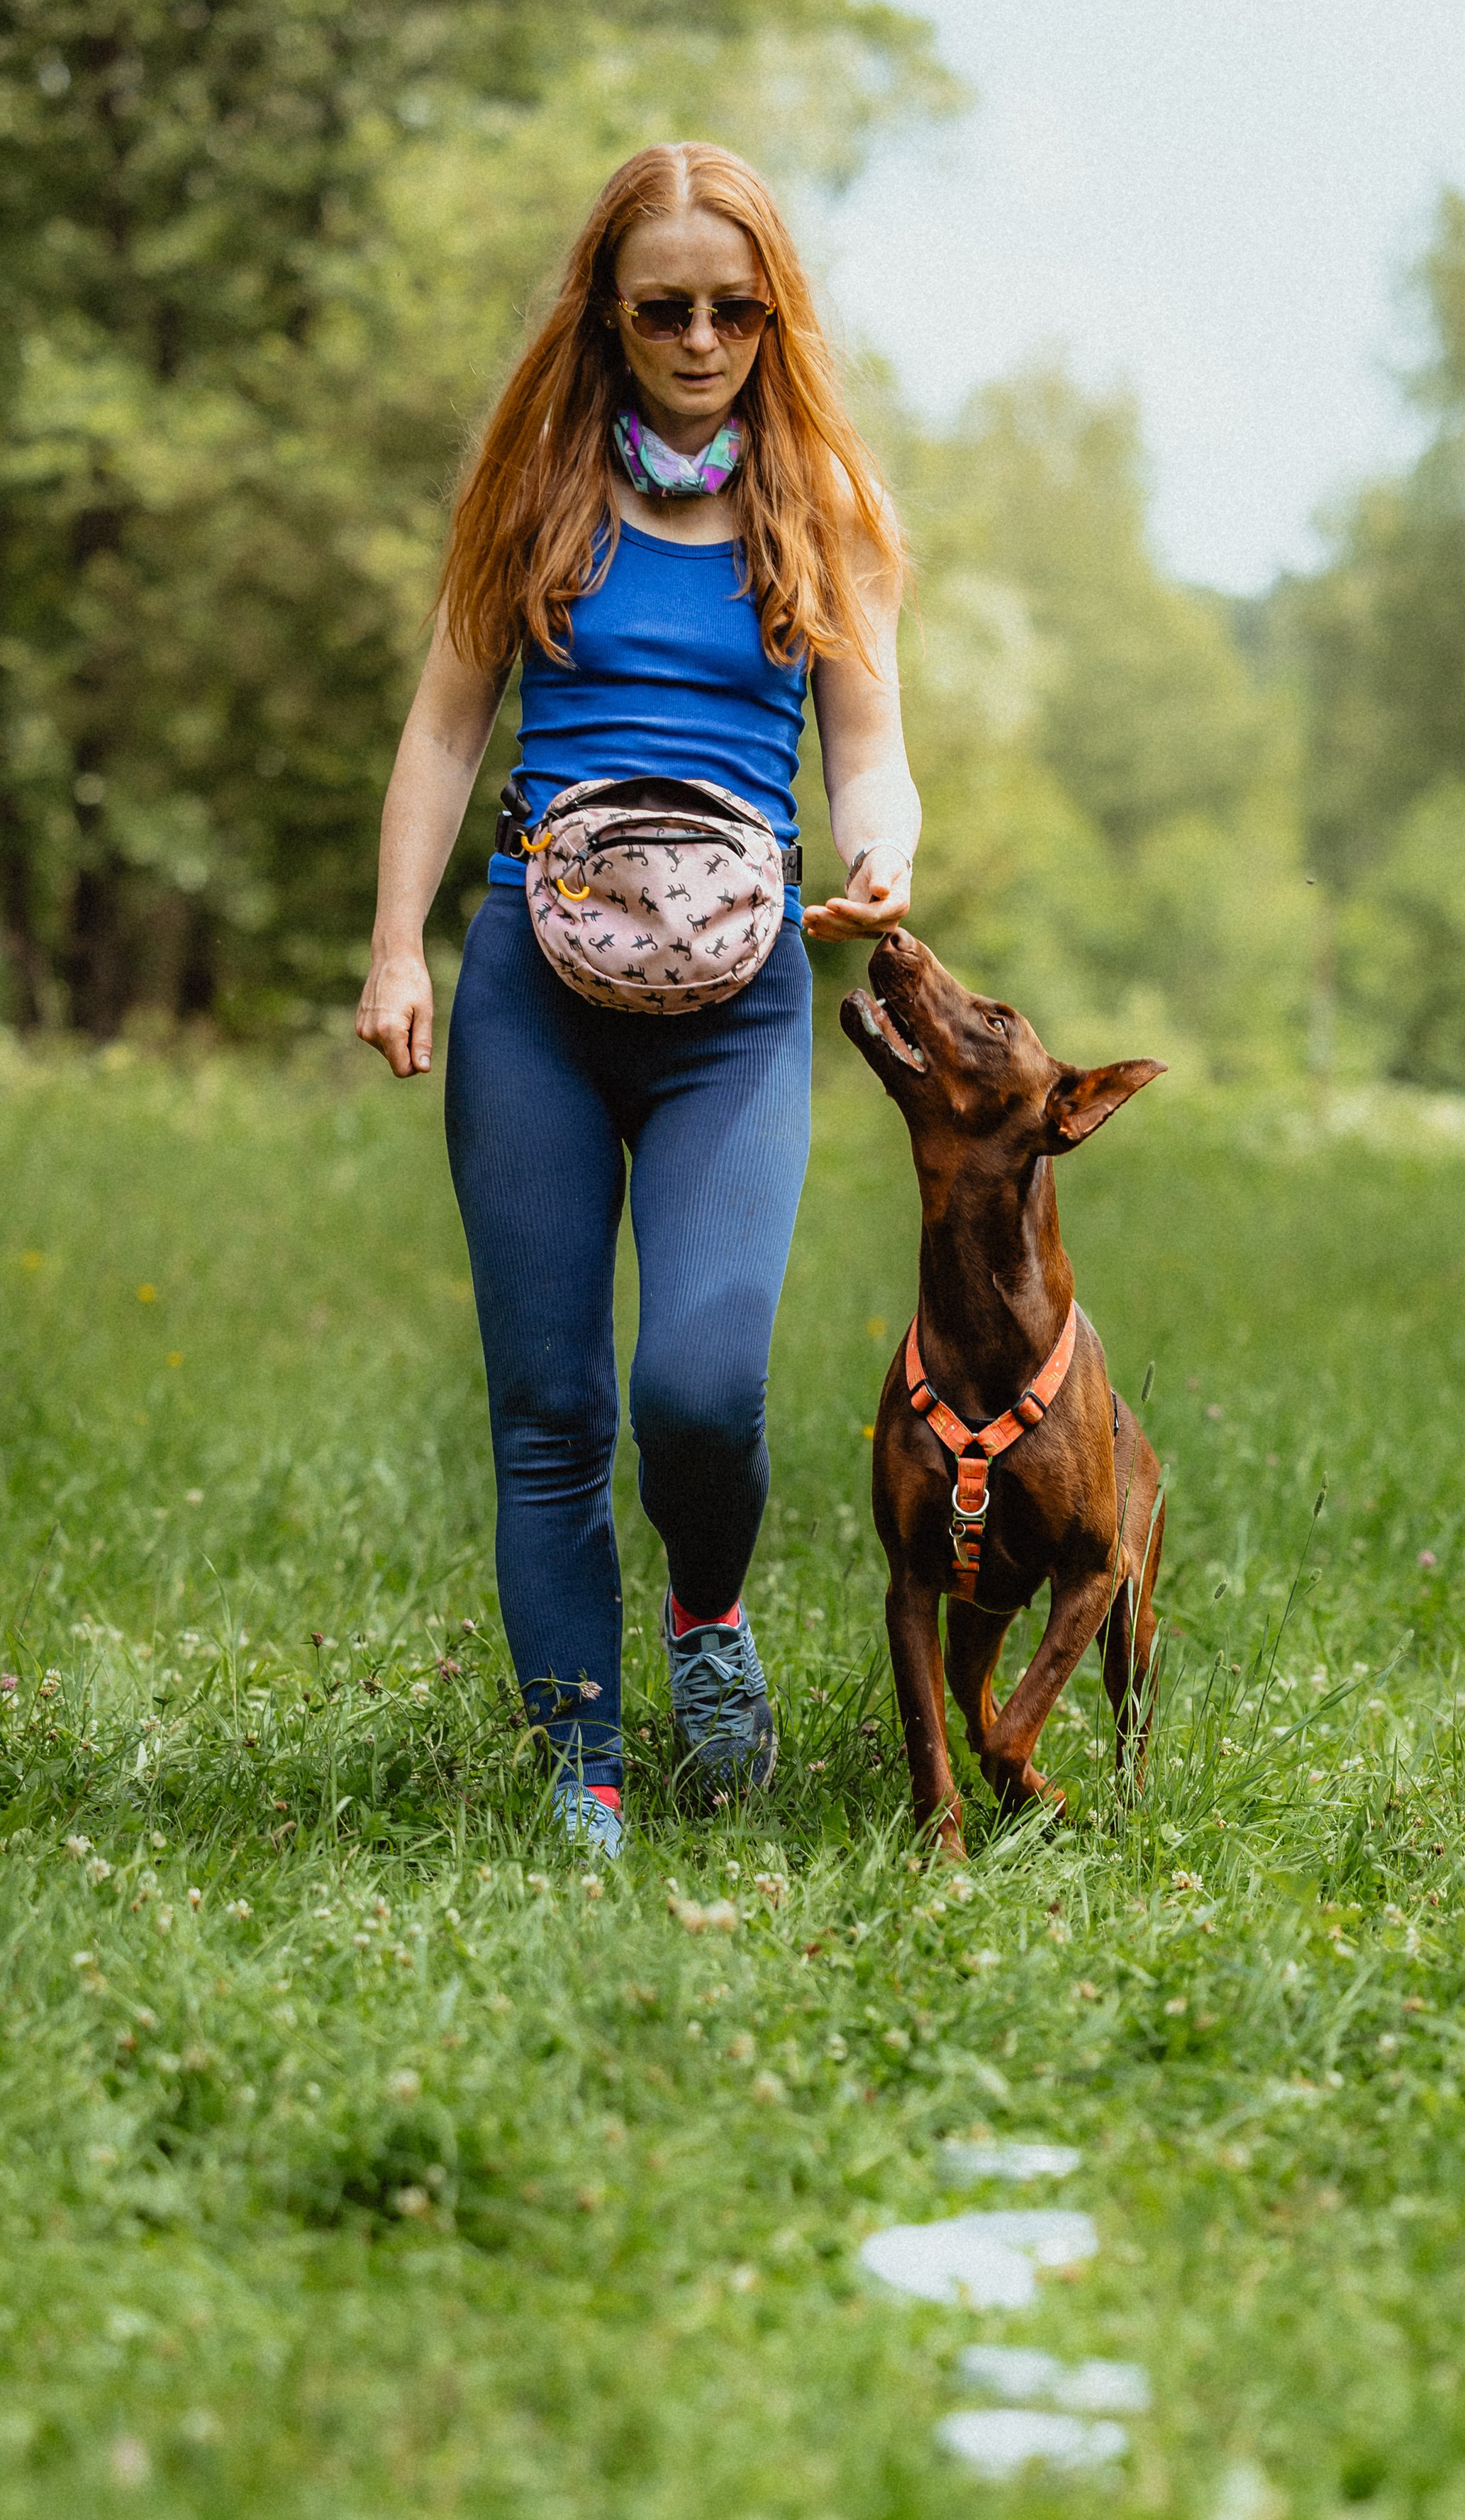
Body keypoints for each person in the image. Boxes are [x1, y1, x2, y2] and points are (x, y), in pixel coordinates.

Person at [355, 141, 919, 1856]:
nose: (696, 341)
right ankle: (583, 1765)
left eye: (731, 312)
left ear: (773, 316)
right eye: (661, 308)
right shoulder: (535, 486)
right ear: (605, 310)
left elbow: (870, 745)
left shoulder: (819, 503)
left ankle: (706, 1619)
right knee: (548, 1411)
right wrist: (395, 946)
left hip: (737, 1002)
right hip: (538, 978)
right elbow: (447, 728)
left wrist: (882, 856)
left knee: (695, 1385)